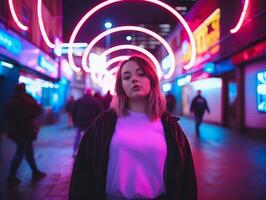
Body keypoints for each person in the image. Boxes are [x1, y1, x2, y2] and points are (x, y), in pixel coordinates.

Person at [69, 55, 197, 200]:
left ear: (152, 79)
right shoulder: (104, 123)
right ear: (121, 85)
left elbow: (186, 178)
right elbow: (83, 172)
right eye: (126, 77)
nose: (134, 79)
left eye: (141, 74)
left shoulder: (170, 126)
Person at [5, 83, 46, 185]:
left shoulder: (11, 101)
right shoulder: (26, 100)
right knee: (21, 152)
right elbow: (38, 109)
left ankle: (35, 171)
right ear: (24, 90)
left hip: (16, 130)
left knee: (28, 151)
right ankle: (11, 176)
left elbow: (7, 115)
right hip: (25, 130)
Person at [71, 89, 102, 157]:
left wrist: (74, 121)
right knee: (90, 138)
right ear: (90, 93)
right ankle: (89, 153)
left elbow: (73, 111)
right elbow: (100, 111)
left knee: (77, 137)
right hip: (90, 123)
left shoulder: (79, 100)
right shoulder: (94, 101)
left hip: (79, 122)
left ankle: (74, 152)